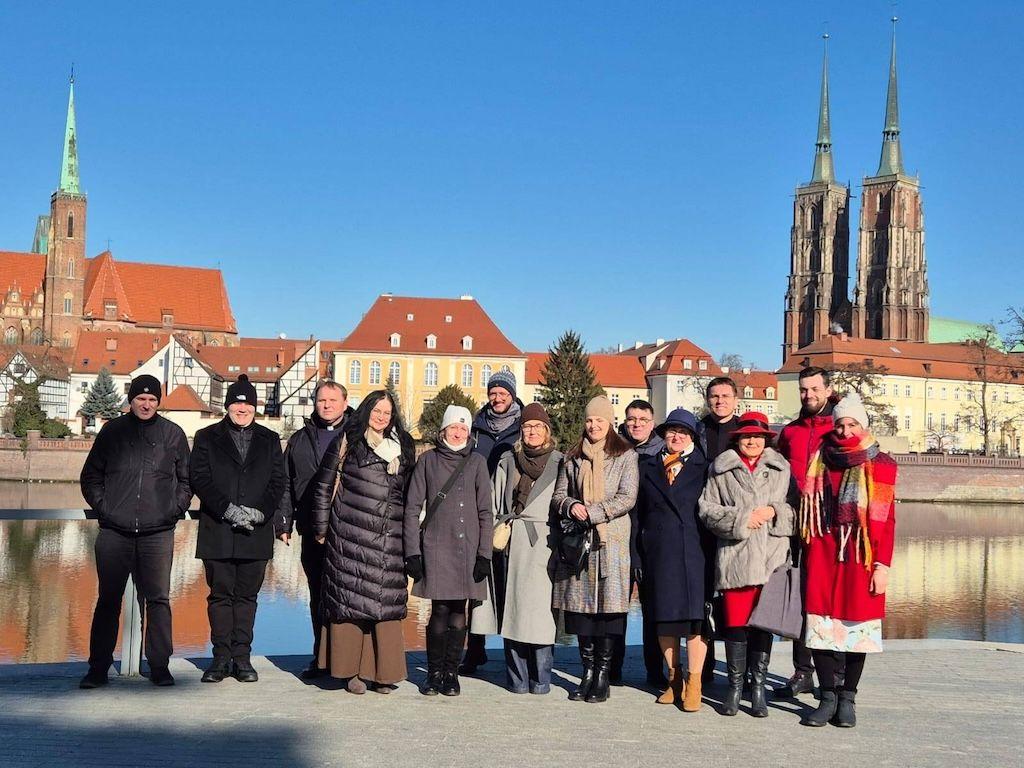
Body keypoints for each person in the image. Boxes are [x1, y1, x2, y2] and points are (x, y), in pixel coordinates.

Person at [78, 375, 191, 689]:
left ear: (158, 402)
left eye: (152, 399)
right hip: (115, 532)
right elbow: (90, 477)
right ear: (131, 400)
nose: (147, 404)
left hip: (158, 532)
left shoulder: (172, 434)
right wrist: (106, 509)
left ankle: (159, 667)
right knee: (108, 601)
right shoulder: (112, 431)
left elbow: (186, 481)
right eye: (141, 399)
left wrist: (173, 510)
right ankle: (97, 669)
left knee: (158, 600)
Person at [799, 394, 897, 728]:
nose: (844, 430)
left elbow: (889, 519)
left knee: (859, 629)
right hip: (824, 552)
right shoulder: (821, 458)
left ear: (863, 425)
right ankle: (827, 697)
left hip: (861, 554)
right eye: (840, 423)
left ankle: (848, 699)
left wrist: (883, 565)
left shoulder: (881, 463)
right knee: (819, 628)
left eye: (851, 423)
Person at [309, 390, 416, 694]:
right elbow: (323, 485)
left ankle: (383, 672)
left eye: (387, 413)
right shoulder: (348, 440)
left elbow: (410, 496)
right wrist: (320, 527)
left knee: (385, 606)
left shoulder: (403, 447)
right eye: (377, 411)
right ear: (367, 410)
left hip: (388, 536)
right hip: (350, 534)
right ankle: (352, 672)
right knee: (351, 603)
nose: (381, 417)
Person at [191, 374, 286, 683]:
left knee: (247, 598)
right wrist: (228, 510)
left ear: (254, 408)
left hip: (254, 534)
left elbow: (278, 482)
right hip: (218, 530)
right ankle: (219, 659)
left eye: (247, 404)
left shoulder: (270, 440)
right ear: (228, 406)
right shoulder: (206, 437)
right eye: (236, 403)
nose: (241, 408)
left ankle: (242, 659)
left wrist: (260, 513)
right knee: (219, 596)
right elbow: (200, 479)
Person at [699, 412, 795, 717]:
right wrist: (742, 519)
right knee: (735, 626)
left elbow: (798, 510)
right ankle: (735, 686)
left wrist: (774, 511)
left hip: (770, 558)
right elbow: (706, 509)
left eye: (757, 436)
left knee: (762, 625)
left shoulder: (782, 468)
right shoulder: (721, 469)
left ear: (766, 439)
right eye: (746, 436)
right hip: (736, 559)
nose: (752, 441)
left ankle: (757, 687)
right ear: (737, 438)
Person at [552, 396, 639, 704]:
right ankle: (586, 671)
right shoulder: (572, 455)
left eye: (599, 421)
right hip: (579, 544)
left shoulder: (625, 455)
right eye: (589, 420)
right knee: (582, 613)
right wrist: (571, 505)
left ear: (609, 422)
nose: (593, 426)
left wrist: (595, 512)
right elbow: (559, 495)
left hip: (610, 542)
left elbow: (628, 497)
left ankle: (602, 675)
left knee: (607, 613)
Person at [404, 405, 493, 697]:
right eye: (453, 427)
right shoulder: (427, 460)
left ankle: (452, 673)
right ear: (444, 430)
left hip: (468, 548)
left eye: (463, 428)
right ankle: (433, 673)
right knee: (439, 609)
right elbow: (412, 508)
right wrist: (412, 552)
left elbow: (485, 512)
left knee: (459, 610)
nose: (458, 432)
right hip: (436, 546)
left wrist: (484, 554)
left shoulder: (477, 463)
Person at [275, 380, 353, 679]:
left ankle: (347, 660)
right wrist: (283, 521)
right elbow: (285, 482)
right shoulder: (299, 439)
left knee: (347, 595)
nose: (327, 405)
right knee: (318, 594)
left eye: (333, 400)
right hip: (312, 528)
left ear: (345, 404)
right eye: (322, 400)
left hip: (349, 529)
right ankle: (321, 657)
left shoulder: (356, 437)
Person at [636, 408, 713, 712]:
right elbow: (638, 515)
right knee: (663, 620)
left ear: (692, 436)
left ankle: (695, 682)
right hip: (657, 552)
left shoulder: (704, 467)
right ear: (664, 434)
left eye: (683, 432)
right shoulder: (648, 466)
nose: (677, 436)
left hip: (693, 553)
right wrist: (636, 556)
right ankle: (674, 679)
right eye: (672, 431)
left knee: (694, 620)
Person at [775, 366, 842, 698]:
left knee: (830, 599)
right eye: (803, 390)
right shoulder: (790, 432)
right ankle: (803, 671)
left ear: (828, 390)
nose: (808, 395)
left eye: (814, 389)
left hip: (831, 528)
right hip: (798, 526)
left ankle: (838, 672)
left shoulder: (840, 427)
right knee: (802, 598)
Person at [462, 369, 523, 673]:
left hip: (513, 515)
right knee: (478, 580)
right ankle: (475, 649)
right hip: (477, 510)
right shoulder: (476, 426)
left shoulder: (525, 427)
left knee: (511, 581)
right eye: (493, 393)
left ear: (512, 395)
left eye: (503, 393)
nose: (497, 398)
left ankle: (516, 651)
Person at [614, 399, 665, 687]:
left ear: (652, 422)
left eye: (642, 419)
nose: (636, 424)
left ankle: (655, 670)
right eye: (631, 419)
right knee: (616, 607)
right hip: (619, 536)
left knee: (652, 608)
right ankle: (613, 668)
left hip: (651, 540)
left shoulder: (661, 453)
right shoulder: (616, 449)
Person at [698, 376, 741, 684]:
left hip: (737, 527)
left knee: (735, 598)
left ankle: (740, 670)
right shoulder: (698, 430)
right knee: (703, 597)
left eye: (725, 396)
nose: (719, 401)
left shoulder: (745, 433)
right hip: (702, 524)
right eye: (714, 396)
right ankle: (706, 664)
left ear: (735, 399)